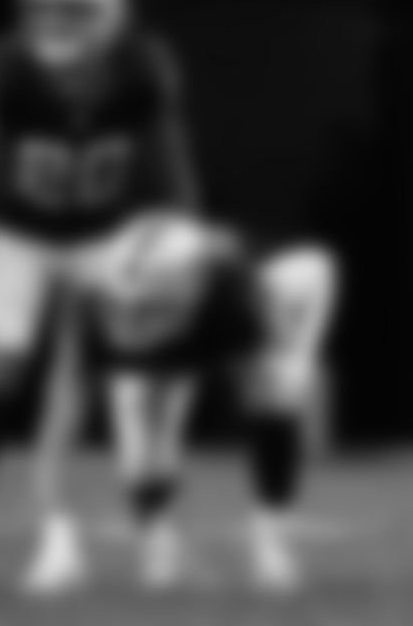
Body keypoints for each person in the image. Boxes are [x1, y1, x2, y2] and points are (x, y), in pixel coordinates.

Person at [0, 0, 199, 596]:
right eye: (44, 7)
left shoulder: (142, 69)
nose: (54, 22)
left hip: (104, 234)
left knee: (127, 383)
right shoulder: (7, 69)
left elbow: (172, 171)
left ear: (112, 12)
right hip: (20, 233)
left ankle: (150, 532)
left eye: (73, 9)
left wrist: (183, 248)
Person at [92, 215, 339, 592]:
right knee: (139, 411)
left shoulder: (234, 286)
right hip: (155, 308)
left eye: (156, 308)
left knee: (274, 396)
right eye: (143, 309)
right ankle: (157, 540)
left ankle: (270, 538)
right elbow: (128, 402)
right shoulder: (117, 301)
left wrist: (304, 354)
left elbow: (318, 268)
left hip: (213, 304)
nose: (150, 320)